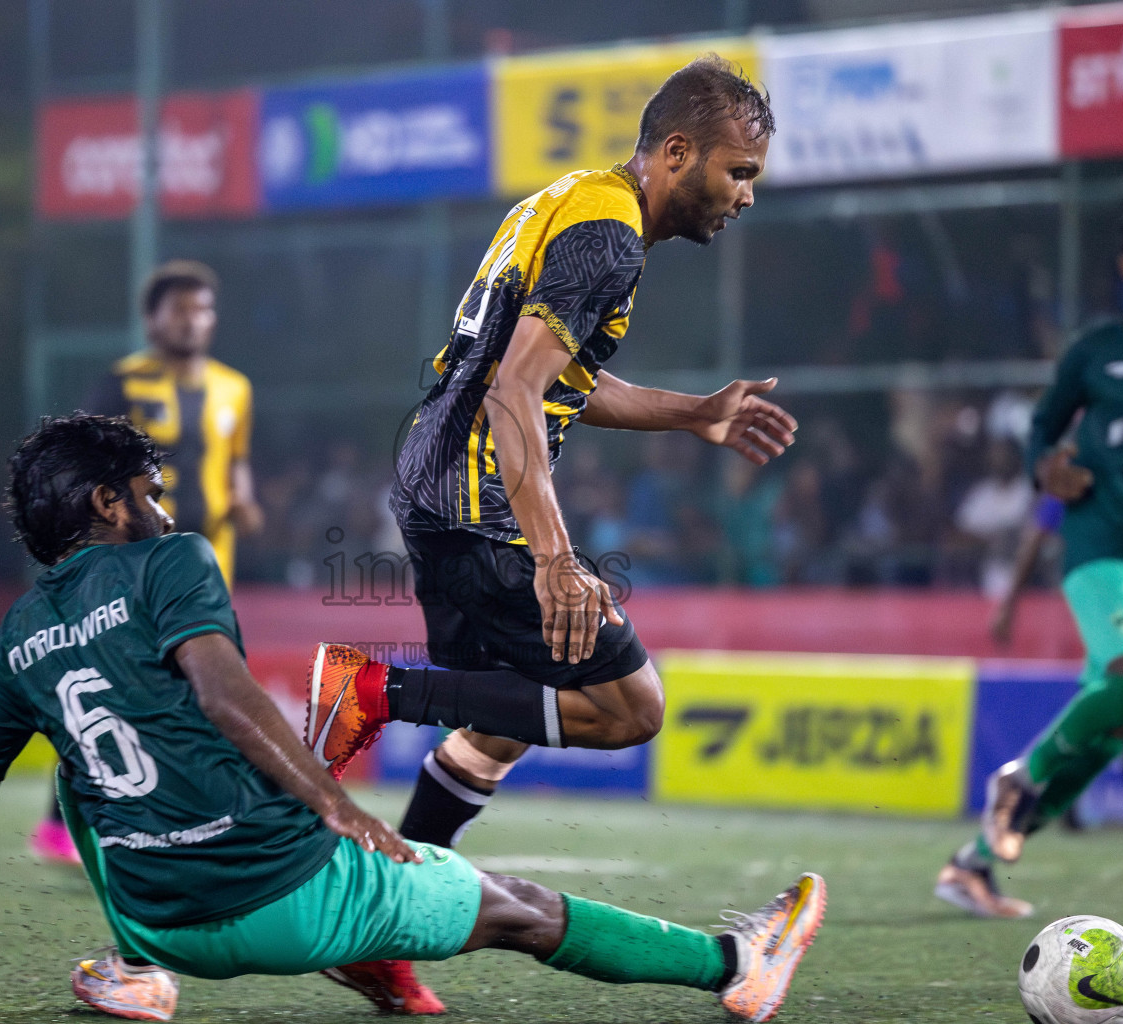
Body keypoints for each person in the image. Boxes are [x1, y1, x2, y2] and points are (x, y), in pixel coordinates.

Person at [0, 414, 826, 1024]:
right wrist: (340, 809)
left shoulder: (16, 634)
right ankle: (738, 965)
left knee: (79, 764)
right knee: (517, 907)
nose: (159, 505)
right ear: (107, 502)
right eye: (145, 491)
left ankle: (136, 971)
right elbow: (227, 698)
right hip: (284, 899)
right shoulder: (173, 558)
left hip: (162, 918)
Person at [302, 55, 797, 1004]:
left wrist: (693, 411)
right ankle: (374, 688)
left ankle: (379, 928)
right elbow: (513, 390)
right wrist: (558, 561)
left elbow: (563, 380)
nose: (744, 195)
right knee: (631, 709)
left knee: (499, 725)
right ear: (679, 150)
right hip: (477, 501)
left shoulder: (577, 203)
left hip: (438, 486)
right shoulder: (609, 235)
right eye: (738, 171)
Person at [936, 198, 1123, 918]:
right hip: (1098, 541)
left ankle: (973, 866)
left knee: (1111, 735)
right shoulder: (1096, 349)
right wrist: (1047, 466)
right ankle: (1020, 780)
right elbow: (1042, 429)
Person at [28, 259, 264, 868]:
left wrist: (244, 497)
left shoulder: (234, 389)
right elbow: (79, 462)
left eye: (203, 309)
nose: (194, 320)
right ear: (152, 318)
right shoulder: (122, 383)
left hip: (209, 567)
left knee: (200, 694)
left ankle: (192, 826)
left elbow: (235, 460)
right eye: (180, 308)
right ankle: (64, 824)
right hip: (133, 565)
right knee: (121, 687)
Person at [989, 491, 1123, 845]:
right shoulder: (1075, 474)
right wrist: (1010, 603)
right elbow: (1040, 531)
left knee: (1114, 701)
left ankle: (1065, 803)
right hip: (1104, 593)